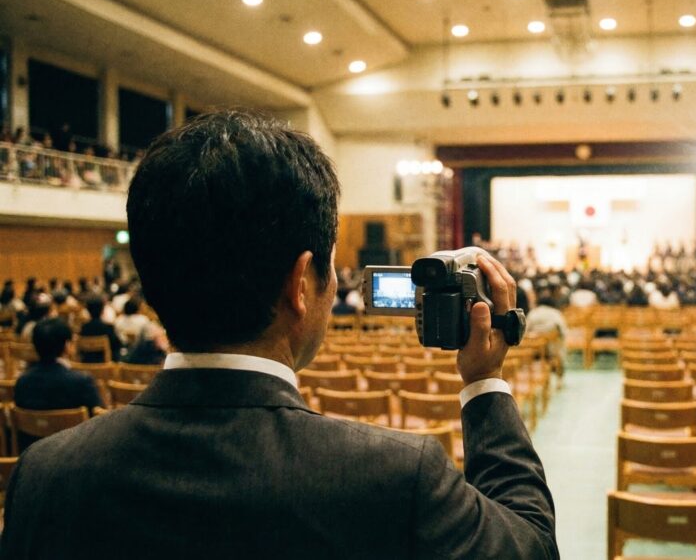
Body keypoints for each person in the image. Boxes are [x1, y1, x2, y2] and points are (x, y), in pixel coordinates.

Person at [0, 110, 557, 559]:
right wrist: (484, 383)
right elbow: (530, 545)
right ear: (300, 283)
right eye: (331, 266)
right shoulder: (393, 477)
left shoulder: (46, 474)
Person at [13, 318, 104, 450]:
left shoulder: (22, 382)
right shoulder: (81, 382)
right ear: (67, 346)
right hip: (74, 454)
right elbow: (99, 423)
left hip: (33, 456)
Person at [78, 294, 122, 362]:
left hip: (86, 363)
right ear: (102, 310)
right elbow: (117, 345)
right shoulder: (108, 328)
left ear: (88, 310)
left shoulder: (83, 328)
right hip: (105, 366)